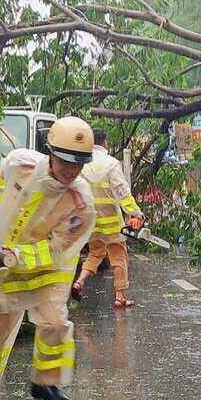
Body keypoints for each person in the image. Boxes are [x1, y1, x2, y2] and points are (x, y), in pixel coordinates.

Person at [0, 116, 96, 400]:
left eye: (79, 164)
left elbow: (57, 248)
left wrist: (13, 257)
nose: (71, 170)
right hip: (1, 269)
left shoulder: (81, 204)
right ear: (50, 152)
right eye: (65, 161)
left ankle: (46, 381)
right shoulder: (19, 164)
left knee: (55, 324)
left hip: (47, 273)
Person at [71, 128, 144, 309]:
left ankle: (79, 281)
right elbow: (121, 191)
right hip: (110, 218)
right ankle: (120, 296)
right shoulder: (110, 163)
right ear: (105, 142)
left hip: (91, 219)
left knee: (95, 253)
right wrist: (135, 212)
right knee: (118, 255)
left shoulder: (83, 164)